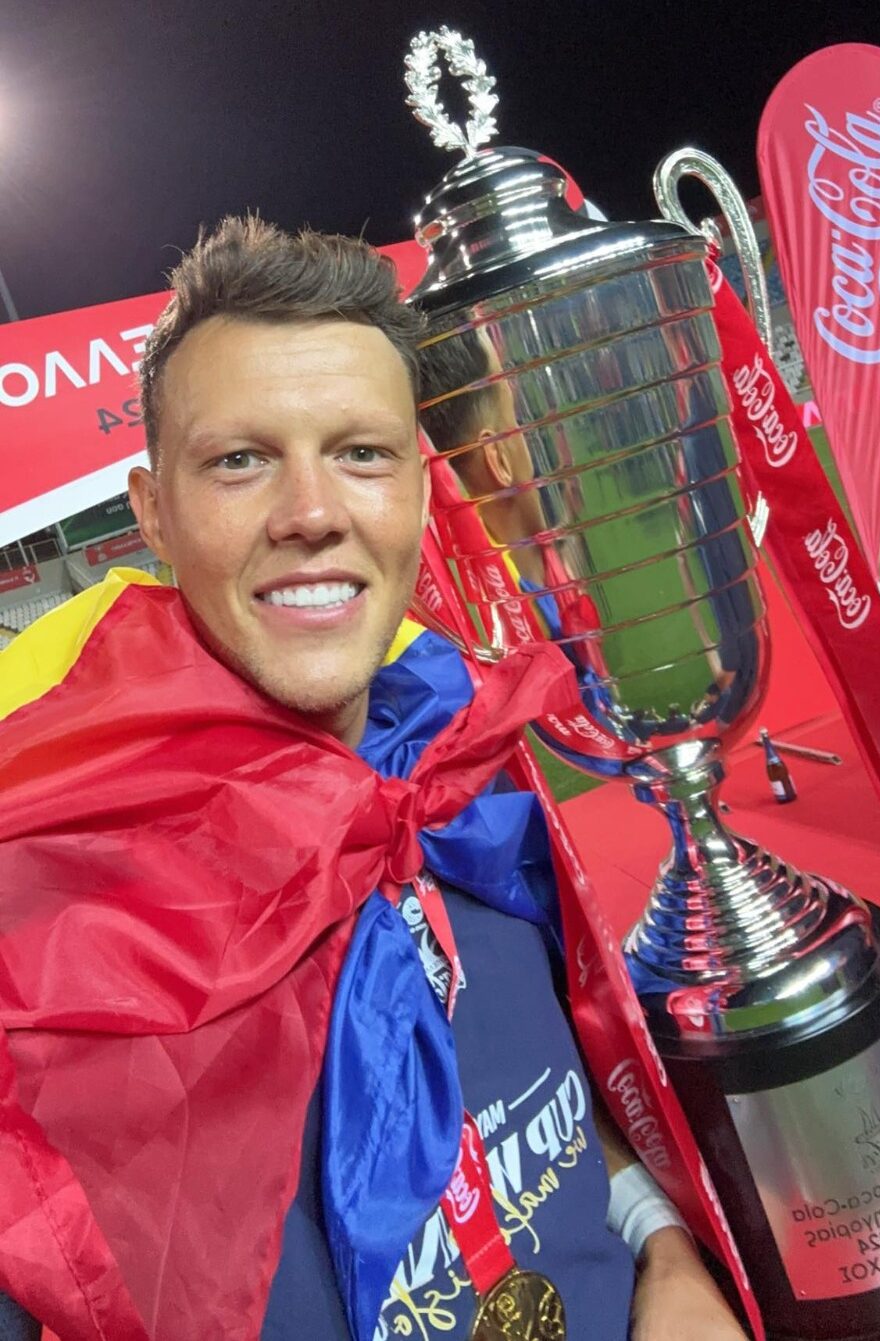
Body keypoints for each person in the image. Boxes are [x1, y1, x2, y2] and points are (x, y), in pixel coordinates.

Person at [0, 217, 748, 1340]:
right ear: (153, 513)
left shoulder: (461, 770)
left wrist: (664, 1246)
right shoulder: (53, 939)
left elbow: (536, 1074)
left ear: (418, 490)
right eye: (240, 460)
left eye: (362, 452)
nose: (313, 513)